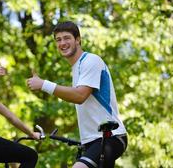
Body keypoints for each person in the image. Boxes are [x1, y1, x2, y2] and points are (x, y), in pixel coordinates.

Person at [27, 21, 127, 168]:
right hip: (91, 140)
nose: (62, 43)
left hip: (110, 136)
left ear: (78, 39)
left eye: (67, 38)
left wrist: (44, 84)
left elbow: (80, 96)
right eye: (58, 40)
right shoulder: (76, 68)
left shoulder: (91, 61)